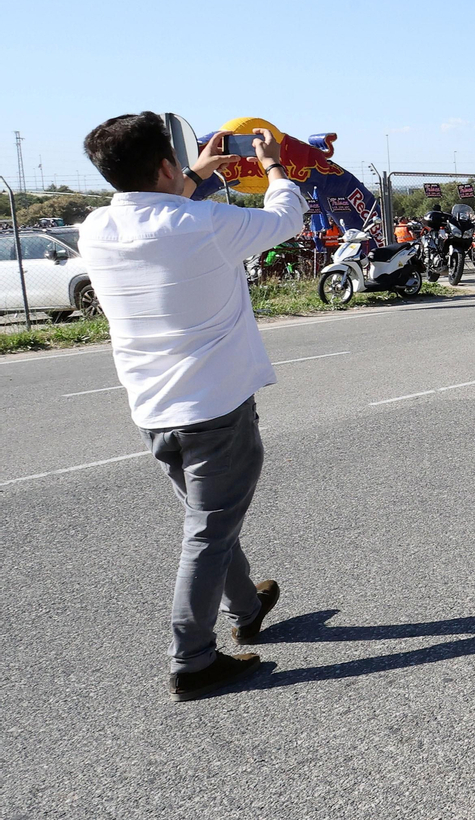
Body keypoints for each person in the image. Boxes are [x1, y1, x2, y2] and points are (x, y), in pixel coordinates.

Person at [78, 113, 307, 701]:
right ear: (163, 164)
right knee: (207, 531)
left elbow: (158, 213)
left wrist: (196, 174)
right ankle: (193, 659)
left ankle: (248, 605)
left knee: (209, 520)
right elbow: (287, 216)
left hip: (152, 409)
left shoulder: (96, 228)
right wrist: (271, 164)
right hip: (216, 408)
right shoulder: (206, 223)